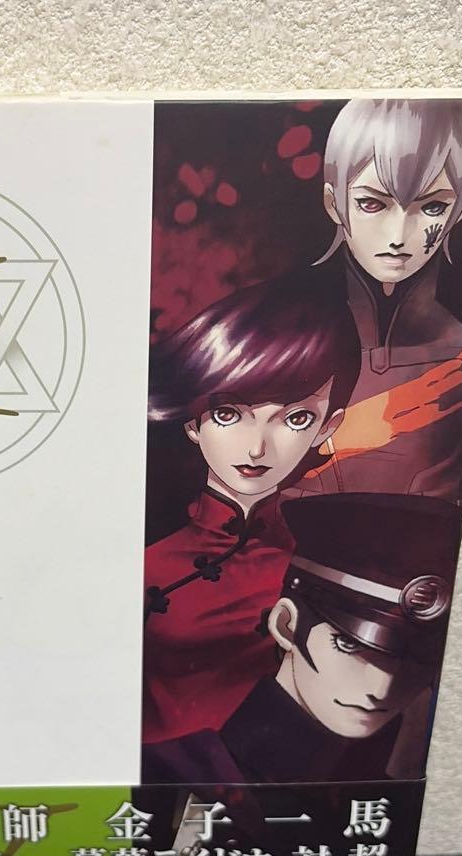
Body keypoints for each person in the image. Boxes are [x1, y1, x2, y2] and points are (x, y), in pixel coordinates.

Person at [142, 278, 360, 744]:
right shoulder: (142, 553)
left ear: (328, 427)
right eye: (229, 414)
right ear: (193, 422)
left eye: (296, 418)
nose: (257, 448)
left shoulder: (325, 565)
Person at [143, 492, 459, 783]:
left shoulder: (401, 777)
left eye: (420, 656)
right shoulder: (170, 774)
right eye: (348, 644)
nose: (382, 689)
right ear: (287, 625)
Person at [293, 97, 462, 502]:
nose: (398, 236)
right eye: (372, 203)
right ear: (334, 203)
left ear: (461, 210)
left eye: (432, 206)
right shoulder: (278, 347)